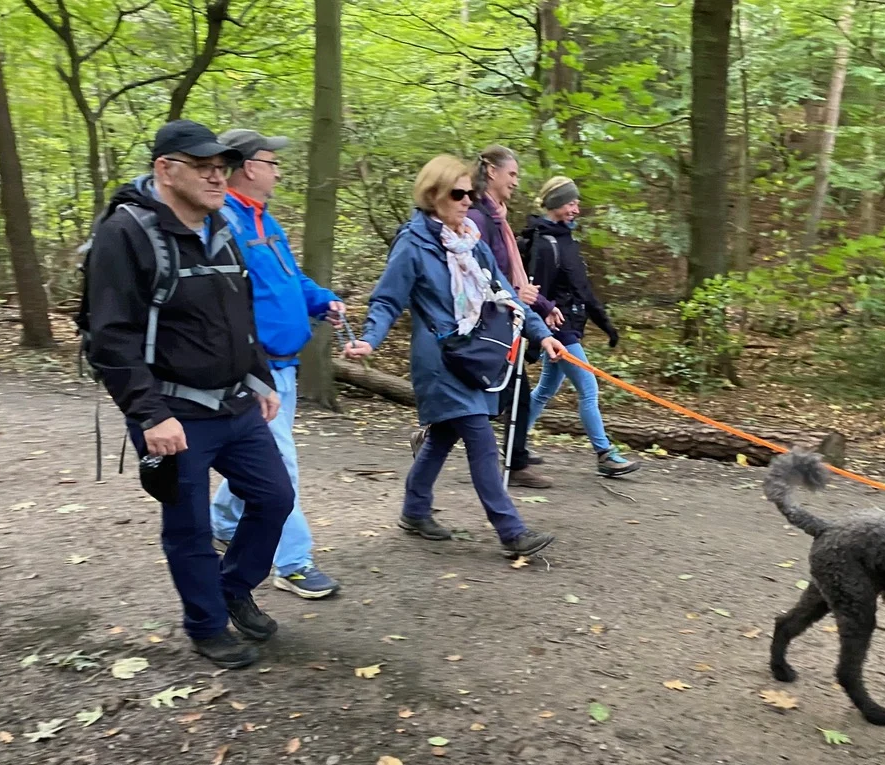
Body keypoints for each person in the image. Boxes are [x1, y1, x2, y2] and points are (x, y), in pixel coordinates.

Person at [86, 119, 293, 669]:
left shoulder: (220, 225)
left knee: (274, 497)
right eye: (203, 168)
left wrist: (260, 376)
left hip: (234, 401)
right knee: (190, 525)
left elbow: (236, 310)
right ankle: (206, 626)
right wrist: (150, 415)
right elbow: (110, 336)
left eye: (222, 168)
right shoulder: (126, 233)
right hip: (171, 410)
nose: (217, 177)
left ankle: (232, 587)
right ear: (165, 170)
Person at [342, 155, 565, 559]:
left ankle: (413, 510)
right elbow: (388, 299)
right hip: (440, 360)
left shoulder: (471, 243)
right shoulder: (413, 244)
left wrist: (543, 334)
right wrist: (370, 340)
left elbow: (507, 296)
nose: (467, 201)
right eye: (458, 193)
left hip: (474, 357)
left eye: (471, 193)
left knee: (444, 436)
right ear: (433, 196)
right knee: (479, 437)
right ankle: (511, 530)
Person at [208, 128, 343, 601]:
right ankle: (292, 562)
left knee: (261, 460)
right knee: (279, 465)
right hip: (254, 370)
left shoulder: (262, 219)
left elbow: (288, 278)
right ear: (248, 167)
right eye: (271, 161)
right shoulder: (222, 222)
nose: (277, 169)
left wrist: (321, 301)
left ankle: (221, 520)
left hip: (284, 368)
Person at [522, 176, 640, 477]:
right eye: (571, 203)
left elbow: (583, 290)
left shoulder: (565, 239)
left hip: (570, 326)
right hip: (559, 330)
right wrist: (540, 334)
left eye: (577, 203)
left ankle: (515, 441)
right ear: (557, 205)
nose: (576, 209)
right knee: (589, 388)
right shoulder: (546, 244)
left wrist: (606, 325)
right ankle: (604, 454)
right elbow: (536, 292)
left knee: (546, 388)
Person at [465, 145, 560, 489]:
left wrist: (543, 306)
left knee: (514, 390)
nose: (516, 182)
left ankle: (516, 459)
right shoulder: (478, 219)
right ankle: (512, 462)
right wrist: (513, 296)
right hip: (488, 323)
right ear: (491, 171)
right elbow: (476, 275)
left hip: (508, 319)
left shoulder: (498, 218)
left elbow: (509, 273)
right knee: (502, 392)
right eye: (512, 174)